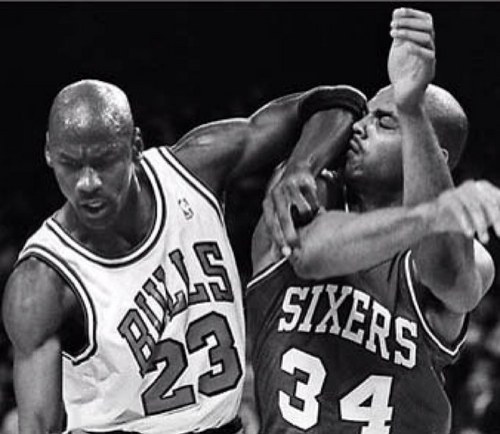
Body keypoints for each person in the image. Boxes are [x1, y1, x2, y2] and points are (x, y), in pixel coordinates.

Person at [1, 77, 367, 434]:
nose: (87, 183)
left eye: (104, 160)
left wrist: (301, 168)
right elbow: (38, 426)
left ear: (135, 146)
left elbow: (336, 102)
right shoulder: (40, 283)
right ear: (48, 152)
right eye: (69, 163)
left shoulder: (194, 172)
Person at [246, 8, 497, 434]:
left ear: (431, 156)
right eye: (365, 115)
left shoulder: (463, 257)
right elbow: (310, 254)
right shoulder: (307, 192)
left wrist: (412, 107)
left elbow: (451, 275)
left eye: (383, 122)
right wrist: (428, 214)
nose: (360, 128)